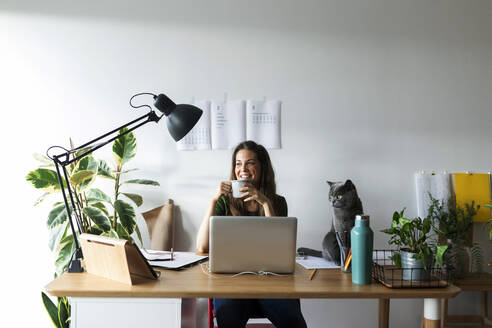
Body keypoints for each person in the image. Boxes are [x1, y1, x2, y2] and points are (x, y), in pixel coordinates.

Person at [196, 140, 307, 328]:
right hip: (231, 283)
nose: (243, 169)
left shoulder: (277, 202)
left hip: (269, 283)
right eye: (238, 163)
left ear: (262, 167)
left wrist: (265, 203)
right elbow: (202, 247)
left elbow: (279, 247)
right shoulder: (224, 201)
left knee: (294, 322)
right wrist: (213, 201)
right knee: (227, 316)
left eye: (250, 163)